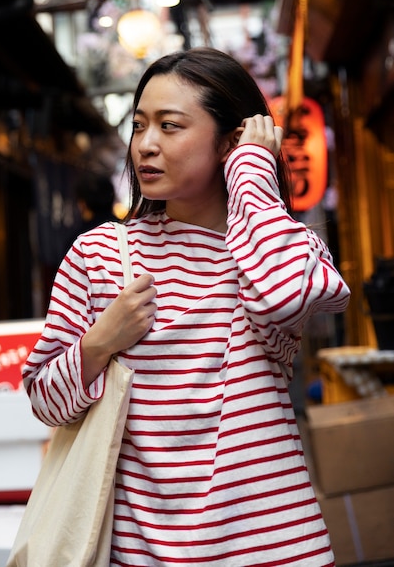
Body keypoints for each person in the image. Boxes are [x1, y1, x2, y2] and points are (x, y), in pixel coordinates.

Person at [23, 47, 350, 566]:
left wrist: (254, 181)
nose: (145, 145)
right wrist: (99, 342)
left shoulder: (277, 246)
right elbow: (44, 399)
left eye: (170, 126)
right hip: (142, 551)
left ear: (228, 141)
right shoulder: (100, 255)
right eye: (139, 125)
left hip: (277, 546)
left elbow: (289, 296)